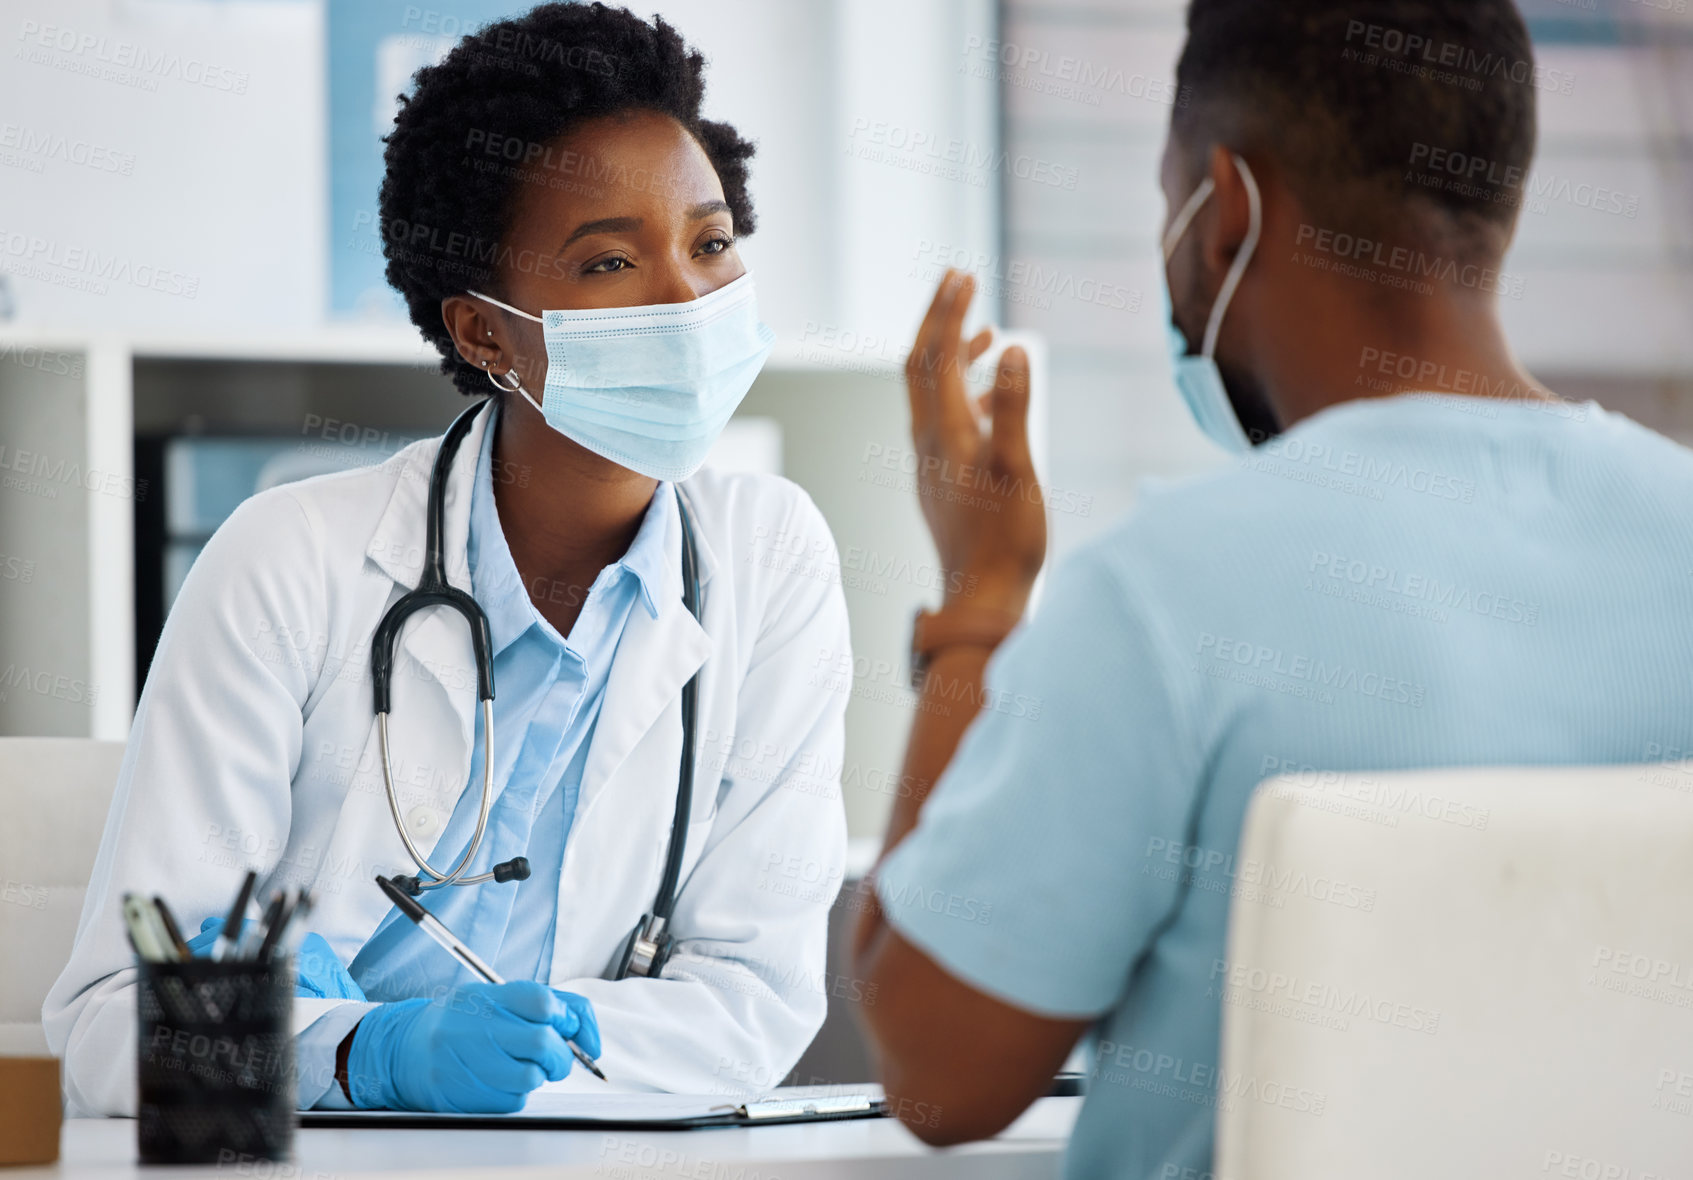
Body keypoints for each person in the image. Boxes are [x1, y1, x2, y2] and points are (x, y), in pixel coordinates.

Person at [851, 0, 1693, 1175]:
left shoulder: (1164, 591)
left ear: (1223, 212)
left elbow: (936, 1075)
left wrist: (978, 604)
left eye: (1165, 204)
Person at [45, 3, 848, 1116]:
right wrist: (363, 1055)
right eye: (610, 260)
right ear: (481, 332)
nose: (686, 297)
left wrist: (517, 1073)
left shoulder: (771, 555)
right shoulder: (290, 561)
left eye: (710, 242)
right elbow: (108, 1022)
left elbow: (751, 1003)